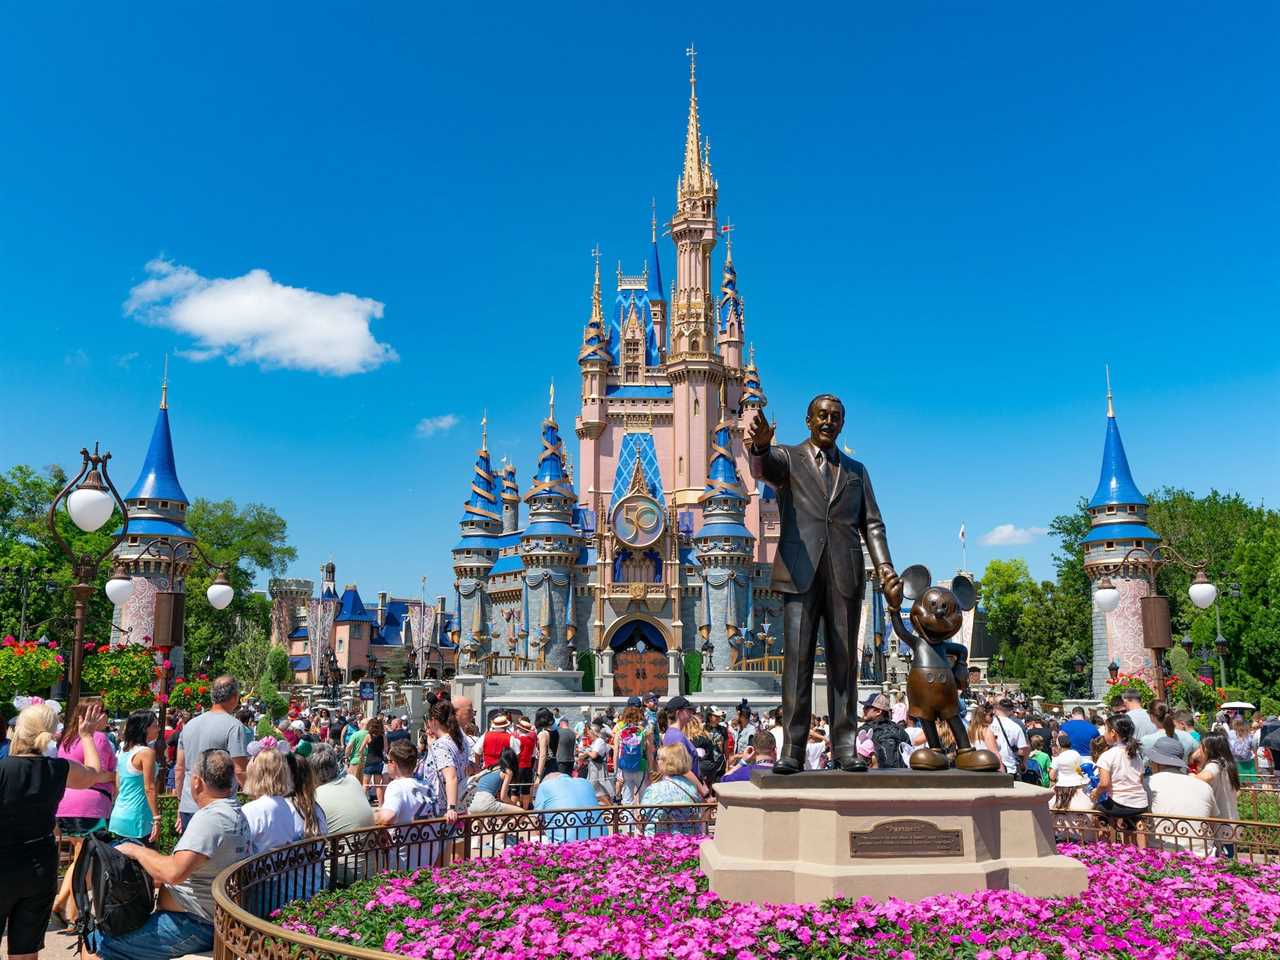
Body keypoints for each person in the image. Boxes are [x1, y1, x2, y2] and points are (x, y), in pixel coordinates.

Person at [745, 396, 903, 774]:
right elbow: (763, 468)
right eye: (822, 415)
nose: (828, 421)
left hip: (845, 574)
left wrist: (885, 567)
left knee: (844, 663)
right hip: (800, 572)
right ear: (808, 420)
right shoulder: (788, 458)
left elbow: (873, 524)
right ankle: (793, 749)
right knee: (797, 662)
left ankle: (845, 747)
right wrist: (761, 447)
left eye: (835, 417)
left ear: (842, 423)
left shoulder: (856, 471)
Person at [85, 749, 252, 960]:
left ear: (197, 782)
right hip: (206, 917)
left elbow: (173, 872)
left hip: (195, 922)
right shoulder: (235, 811)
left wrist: (135, 850)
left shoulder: (211, 819)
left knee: (96, 941)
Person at [1, 701, 104, 959]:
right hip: (40, 865)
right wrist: (87, 736)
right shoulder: (59, 768)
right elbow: (93, 773)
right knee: (26, 951)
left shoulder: (3, 768)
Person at [51, 700, 117, 925]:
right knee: (86, 860)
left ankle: (67, 907)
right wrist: (113, 776)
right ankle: (67, 907)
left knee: (80, 857)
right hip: (91, 805)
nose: (106, 716)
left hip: (65, 804)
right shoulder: (99, 739)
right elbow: (98, 773)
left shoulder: (67, 739)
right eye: (104, 712)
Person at [173, 676, 250, 834]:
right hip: (218, 808)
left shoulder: (190, 726)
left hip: (189, 804)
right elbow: (240, 770)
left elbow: (179, 768)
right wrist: (256, 794)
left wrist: (181, 803)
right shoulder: (234, 726)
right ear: (234, 697)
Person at [376, 740, 443, 869]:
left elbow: (388, 817)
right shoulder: (427, 785)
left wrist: (372, 816)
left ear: (393, 764)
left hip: (405, 856)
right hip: (429, 852)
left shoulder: (396, 786)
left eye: (387, 761)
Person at [1146, 736, 1216, 853]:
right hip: (1202, 854)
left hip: (1160, 854)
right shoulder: (1204, 786)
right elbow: (1213, 822)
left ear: (1156, 762)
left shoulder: (1148, 783)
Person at [108, 710, 161, 847]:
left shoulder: (123, 751)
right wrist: (156, 818)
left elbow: (118, 784)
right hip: (138, 817)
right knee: (146, 857)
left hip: (120, 814)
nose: (158, 729)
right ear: (144, 728)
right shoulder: (146, 753)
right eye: (155, 726)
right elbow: (149, 787)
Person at [1091, 715, 1149, 838]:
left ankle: (1106, 844)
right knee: (1132, 823)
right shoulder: (1135, 754)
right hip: (1140, 803)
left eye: (1106, 730)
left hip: (1120, 803)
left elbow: (1104, 784)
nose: (1104, 734)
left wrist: (1096, 793)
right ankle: (1139, 847)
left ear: (1112, 733)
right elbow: (1140, 780)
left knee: (1095, 812)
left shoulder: (1107, 755)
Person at [640, 744, 704, 835]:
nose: (657, 762)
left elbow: (642, 818)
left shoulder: (654, 790)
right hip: (688, 839)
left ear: (666, 763)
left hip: (657, 839)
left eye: (659, 759)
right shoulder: (692, 787)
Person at [532, 766, 605, 843]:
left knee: (535, 841)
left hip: (566, 843)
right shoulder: (585, 782)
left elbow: (537, 825)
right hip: (601, 838)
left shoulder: (544, 785)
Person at [1196, 733, 1241, 857]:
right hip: (1230, 823)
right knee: (1229, 860)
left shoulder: (1214, 765)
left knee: (1221, 863)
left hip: (1219, 826)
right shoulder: (1228, 764)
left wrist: (1191, 777)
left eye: (1200, 747)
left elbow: (1207, 776)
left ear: (1207, 749)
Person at [613, 702, 654, 805]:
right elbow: (650, 753)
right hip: (641, 767)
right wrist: (650, 770)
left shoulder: (620, 732)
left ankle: (628, 815)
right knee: (644, 797)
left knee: (627, 799)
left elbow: (616, 752)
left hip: (625, 768)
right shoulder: (645, 732)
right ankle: (644, 815)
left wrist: (616, 771)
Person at [467, 747, 523, 815]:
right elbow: (503, 797)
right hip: (486, 803)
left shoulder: (489, 769)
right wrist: (514, 805)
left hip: (473, 805)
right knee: (522, 813)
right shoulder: (507, 771)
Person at [860, 693, 910, 769]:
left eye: (867, 707)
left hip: (872, 775)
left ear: (878, 711)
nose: (863, 709)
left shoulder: (864, 730)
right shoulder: (899, 730)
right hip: (900, 774)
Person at [990, 698, 1029, 776]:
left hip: (988, 764)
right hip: (1008, 766)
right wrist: (1023, 762)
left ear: (997, 708)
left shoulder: (988, 723)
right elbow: (1023, 750)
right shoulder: (1015, 726)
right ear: (1011, 710)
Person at [363, 715, 387, 804]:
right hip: (379, 761)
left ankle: (363, 804)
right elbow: (386, 749)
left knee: (365, 785)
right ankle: (380, 804)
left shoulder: (368, 736)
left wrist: (363, 756)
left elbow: (361, 749)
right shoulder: (383, 736)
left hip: (369, 761)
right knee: (378, 785)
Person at [1227, 717, 1259, 783]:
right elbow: (1254, 753)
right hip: (1244, 763)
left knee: (1240, 785)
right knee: (1248, 785)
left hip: (1240, 763)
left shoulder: (1230, 735)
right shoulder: (1249, 736)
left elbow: (1229, 751)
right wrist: (1257, 769)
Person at [514, 718, 536, 807]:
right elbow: (533, 754)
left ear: (521, 729)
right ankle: (525, 810)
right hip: (528, 766)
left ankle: (514, 809)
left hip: (519, 766)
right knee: (526, 789)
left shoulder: (517, 740)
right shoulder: (532, 741)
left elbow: (515, 754)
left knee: (515, 789)